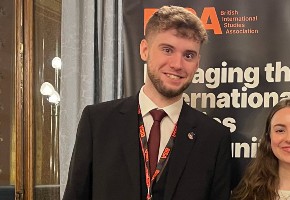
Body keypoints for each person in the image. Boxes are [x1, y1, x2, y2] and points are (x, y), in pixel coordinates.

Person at [63, 6, 231, 200]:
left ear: (198, 62)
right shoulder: (98, 122)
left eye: (189, 55)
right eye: (167, 50)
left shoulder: (214, 137)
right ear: (144, 50)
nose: (177, 64)